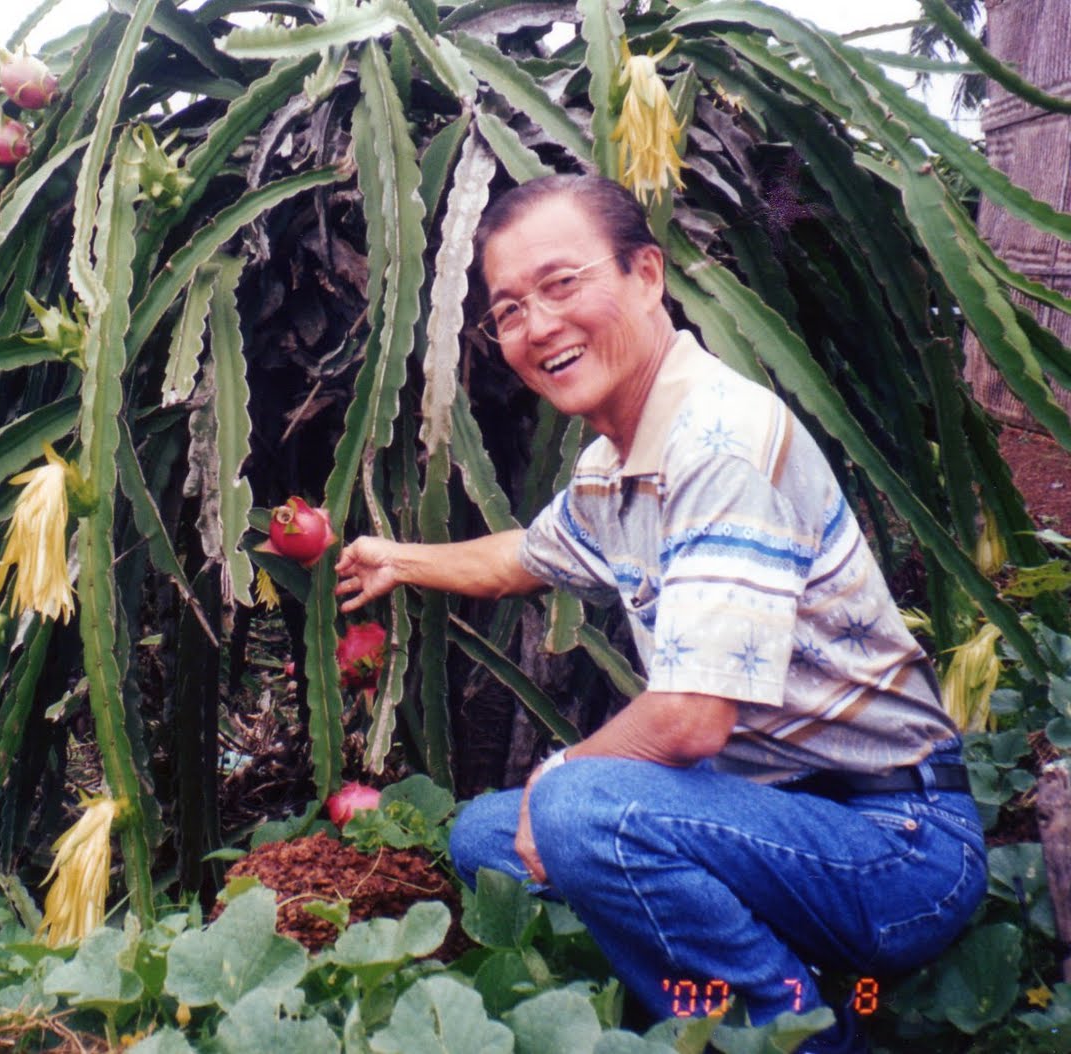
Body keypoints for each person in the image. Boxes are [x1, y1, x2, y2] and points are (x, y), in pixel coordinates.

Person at [334, 174, 983, 1052]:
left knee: (574, 810)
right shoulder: (620, 463)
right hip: (771, 819)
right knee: (490, 840)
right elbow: (524, 555)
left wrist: (557, 777)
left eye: (563, 286)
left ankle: (800, 1039)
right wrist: (397, 560)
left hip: (898, 845)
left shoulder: (717, 446)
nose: (539, 326)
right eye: (511, 309)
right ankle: (746, 985)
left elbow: (687, 722)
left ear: (647, 274)